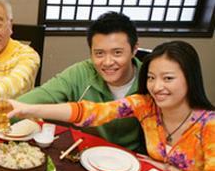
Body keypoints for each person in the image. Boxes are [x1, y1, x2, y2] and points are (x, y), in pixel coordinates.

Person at [0, 41, 214, 171]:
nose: (157, 86)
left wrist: (174, 170)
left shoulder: (209, 126)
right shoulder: (146, 105)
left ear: (190, 78)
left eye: (168, 78)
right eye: (151, 78)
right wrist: (27, 109)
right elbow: (91, 112)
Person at [17, 12, 144, 152]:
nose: (108, 62)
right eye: (99, 53)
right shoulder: (82, 72)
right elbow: (43, 94)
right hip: (87, 153)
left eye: (117, 53)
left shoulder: (151, 81)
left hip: (134, 160)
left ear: (134, 49)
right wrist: (0, 114)